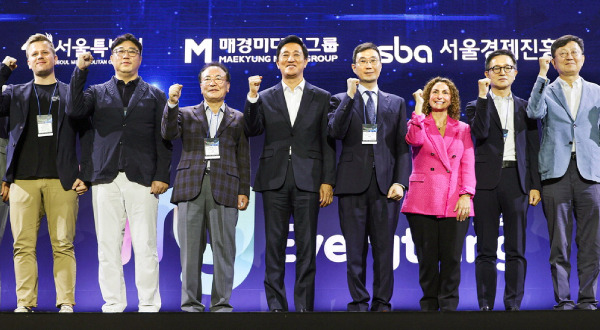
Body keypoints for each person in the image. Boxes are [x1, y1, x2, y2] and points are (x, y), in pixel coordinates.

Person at [69, 33, 172, 313]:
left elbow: (164, 139)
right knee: (107, 246)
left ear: (140, 58)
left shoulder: (154, 94)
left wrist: (162, 174)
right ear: (112, 58)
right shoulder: (96, 92)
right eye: (120, 51)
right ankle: (114, 303)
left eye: (132, 52)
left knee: (146, 245)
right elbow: (74, 110)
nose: (126, 55)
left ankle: (149, 305)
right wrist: (80, 71)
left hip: (143, 177)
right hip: (105, 175)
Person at [0, 33, 91, 313]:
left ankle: (66, 303)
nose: (40, 57)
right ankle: (25, 304)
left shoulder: (70, 94)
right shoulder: (14, 93)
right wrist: (3, 71)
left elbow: (87, 136)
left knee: (63, 244)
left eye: (45, 52)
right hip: (22, 182)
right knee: (22, 246)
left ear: (55, 57)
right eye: (34, 54)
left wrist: (85, 174)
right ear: (28, 62)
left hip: (61, 180)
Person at [244, 35, 336, 312]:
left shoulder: (321, 97)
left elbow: (327, 142)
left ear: (306, 62)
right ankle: (276, 308)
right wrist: (251, 98)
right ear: (277, 62)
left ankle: (304, 308)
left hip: (309, 179)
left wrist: (327, 181)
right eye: (285, 55)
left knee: (307, 248)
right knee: (274, 246)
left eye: (296, 54)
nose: (291, 59)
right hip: (275, 179)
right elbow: (252, 129)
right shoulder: (265, 96)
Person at [162, 62, 250, 312]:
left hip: (226, 188)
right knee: (190, 252)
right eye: (207, 79)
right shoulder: (186, 113)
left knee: (225, 250)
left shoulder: (238, 118)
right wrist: (171, 104)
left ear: (228, 86)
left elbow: (243, 156)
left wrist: (244, 190)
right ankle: (190, 305)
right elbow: (168, 134)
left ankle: (221, 305)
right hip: (191, 187)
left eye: (219, 78)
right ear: (200, 86)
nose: (213, 82)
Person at [328, 42, 409, 312]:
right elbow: (335, 132)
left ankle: (382, 303)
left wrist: (400, 181)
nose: (369, 65)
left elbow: (402, 147)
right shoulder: (340, 99)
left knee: (385, 250)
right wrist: (350, 97)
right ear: (354, 67)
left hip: (387, 188)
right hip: (352, 185)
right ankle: (359, 303)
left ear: (380, 65)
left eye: (373, 60)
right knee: (354, 251)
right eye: (363, 61)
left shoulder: (395, 102)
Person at [526, 35, 600, 310]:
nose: (570, 56)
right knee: (560, 241)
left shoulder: (597, 91)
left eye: (574, 52)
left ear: (583, 58)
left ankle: (588, 299)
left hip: (590, 173)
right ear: (554, 61)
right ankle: (564, 300)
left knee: (591, 241)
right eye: (563, 53)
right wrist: (542, 76)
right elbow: (534, 112)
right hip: (556, 172)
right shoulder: (547, 88)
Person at [466, 49, 541, 311]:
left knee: (516, 248)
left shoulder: (525, 107)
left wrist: (534, 184)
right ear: (487, 74)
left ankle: (513, 306)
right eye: (496, 68)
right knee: (485, 248)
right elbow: (481, 132)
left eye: (507, 67)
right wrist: (483, 96)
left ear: (515, 73)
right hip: (485, 182)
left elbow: (533, 148)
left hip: (517, 180)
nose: (502, 72)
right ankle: (485, 305)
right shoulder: (476, 105)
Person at [401, 77, 475, 311]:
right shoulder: (417, 123)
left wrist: (467, 194)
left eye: (445, 92)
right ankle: (429, 307)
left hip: (455, 199)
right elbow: (414, 140)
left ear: (451, 98)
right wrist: (417, 109)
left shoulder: (462, 128)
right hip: (423, 199)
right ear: (427, 96)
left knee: (452, 258)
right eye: (434, 92)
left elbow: (467, 163)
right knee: (427, 259)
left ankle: (449, 306)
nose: (439, 96)